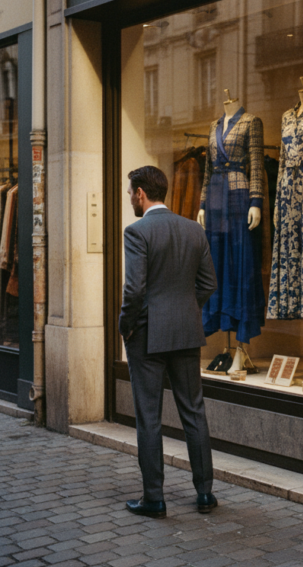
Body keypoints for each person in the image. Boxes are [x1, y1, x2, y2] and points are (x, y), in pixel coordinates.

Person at [119, 166, 219, 518]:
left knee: (149, 418)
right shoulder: (194, 229)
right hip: (186, 331)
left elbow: (134, 290)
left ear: (142, 194)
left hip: (147, 335)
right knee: (194, 412)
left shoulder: (137, 232)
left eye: (131, 192)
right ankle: (205, 494)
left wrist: (125, 326)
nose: (130, 198)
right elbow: (208, 284)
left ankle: (154, 498)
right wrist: (186, 310)